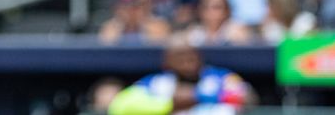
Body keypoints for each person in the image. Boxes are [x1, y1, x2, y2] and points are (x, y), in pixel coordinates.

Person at [107, 36, 255, 114]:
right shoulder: (156, 83)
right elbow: (119, 105)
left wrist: (199, 96)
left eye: (191, 56)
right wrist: (169, 104)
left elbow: (247, 97)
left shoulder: (220, 77)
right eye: (180, 57)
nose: (187, 61)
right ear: (167, 63)